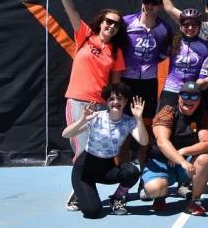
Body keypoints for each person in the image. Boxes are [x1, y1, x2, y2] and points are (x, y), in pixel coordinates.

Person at [52, 0, 128, 164]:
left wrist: (114, 107)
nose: (111, 26)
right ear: (101, 22)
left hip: (101, 105)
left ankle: (91, 182)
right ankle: (80, 184)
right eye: (108, 21)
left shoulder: (116, 51)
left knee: (96, 151)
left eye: (116, 24)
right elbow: (71, 11)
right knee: (81, 151)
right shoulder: (85, 35)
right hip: (78, 101)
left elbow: (115, 86)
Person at [62, 83, 146, 218]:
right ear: (106, 102)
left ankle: (117, 198)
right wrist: (82, 120)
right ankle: (80, 191)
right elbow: (66, 134)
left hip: (107, 168)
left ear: (125, 101)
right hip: (85, 169)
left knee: (132, 171)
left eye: (120, 98)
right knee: (92, 212)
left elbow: (144, 141)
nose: (116, 102)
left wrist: (139, 119)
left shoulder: (129, 121)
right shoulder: (95, 117)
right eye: (111, 99)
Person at [141, 81, 208, 216]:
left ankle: (195, 201)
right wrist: (181, 161)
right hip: (160, 163)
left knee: (204, 159)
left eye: (194, 97)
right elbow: (162, 142)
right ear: (179, 97)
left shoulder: (203, 115)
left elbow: (207, 143)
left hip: (185, 164)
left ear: (199, 100)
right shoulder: (167, 113)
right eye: (185, 96)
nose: (189, 100)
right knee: (154, 189)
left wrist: (183, 152)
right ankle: (160, 195)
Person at [121, 0, 171, 124]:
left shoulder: (165, 28)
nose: (149, 6)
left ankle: (144, 139)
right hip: (126, 77)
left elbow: (164, 53)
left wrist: (151, 63)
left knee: (147, 116)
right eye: (146, 2)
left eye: (153, 3)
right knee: (124, 114)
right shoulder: (126, 22)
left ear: (160, 6)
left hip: (149, 80)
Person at [159, 9, 208, 115]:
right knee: (164, 120)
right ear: (180, 26)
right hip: (171, 89)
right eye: (186, 25)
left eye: (194, 25)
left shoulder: (206, 47)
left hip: (192, 92)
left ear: (199, 26)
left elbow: (207, 71)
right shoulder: (172, 41)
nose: (190, 28)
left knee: (188, 124)